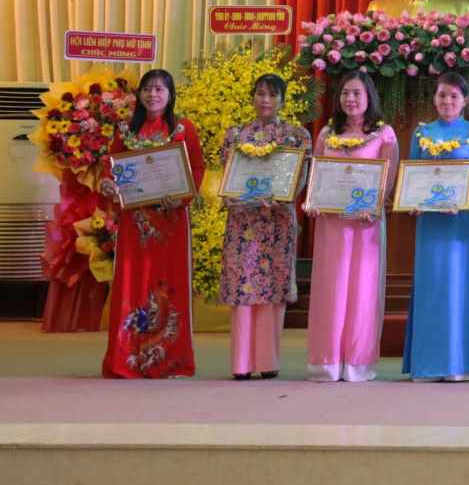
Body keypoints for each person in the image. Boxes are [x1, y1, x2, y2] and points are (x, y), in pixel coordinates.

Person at [99, 69, 206, 379]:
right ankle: (127, 358)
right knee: (132, 281)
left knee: (170, 282)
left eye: (160, 89)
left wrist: (183, 197)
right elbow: (111, 166)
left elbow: (197, 168)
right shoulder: (125, 130)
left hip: (172, 220)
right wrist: (108, 183)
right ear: (139, 94)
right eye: (147, 89)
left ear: (170, 95)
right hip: (136, 222)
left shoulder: (185, 129)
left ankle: (170, 360)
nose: (153, 95)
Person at [216, 73, 311, 380]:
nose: (265, 100)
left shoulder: (296, 136)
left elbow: (301, 177)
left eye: (272, 95)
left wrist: (285, 198)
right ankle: (241, 363)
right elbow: (228, 178)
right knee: (244, 284)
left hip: (277, 220)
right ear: (253, 97)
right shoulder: (236, 135)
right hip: (243, 221)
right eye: (260, 94)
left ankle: (267, 361)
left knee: (271, 287)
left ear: (283, 99)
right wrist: (232, 197)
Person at [307, 70, 398, 382]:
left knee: (361, 289)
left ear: (369, 97)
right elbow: (316, 177)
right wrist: (314, 199)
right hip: (331, 225)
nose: (350, 99)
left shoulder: (384, 134)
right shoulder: (326, 134)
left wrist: (375, 206)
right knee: (330, 288)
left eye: (357, 93)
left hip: (365, 228)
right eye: (345, 93)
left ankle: (357, 362)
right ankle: (327, 361)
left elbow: (387, 178)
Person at [403, 71, 469, 381]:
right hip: (431, 224)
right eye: (442, 95)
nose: (447, 101)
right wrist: (410, 199)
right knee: (432, 286)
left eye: (454, 96)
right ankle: (427, 363)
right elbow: (412, 172)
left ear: (465, 100)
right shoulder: (421, 133)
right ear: (434, 98)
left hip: (461, 224)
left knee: (459, 287)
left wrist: (466, 197)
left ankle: (459, 364)